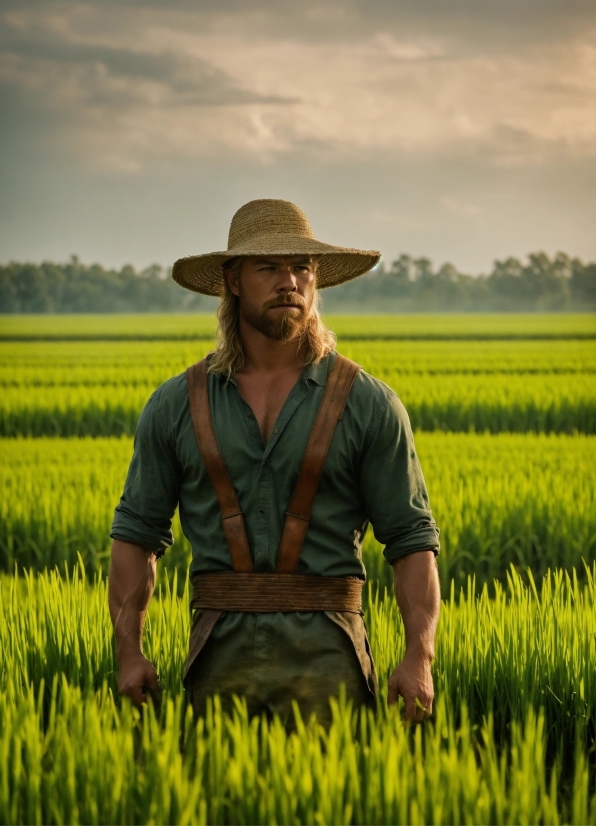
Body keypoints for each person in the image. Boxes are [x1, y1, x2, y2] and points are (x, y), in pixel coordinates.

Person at [108, 198, 440, 727]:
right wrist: (128, 652)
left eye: (302, 268)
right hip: (217, 663)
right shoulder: (174, 405)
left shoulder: (369, 403)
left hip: (332, 666)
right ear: (233, 281)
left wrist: (419, 656)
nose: (290, 281)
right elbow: (136, 536)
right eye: (269, 267)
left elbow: (411, 539)